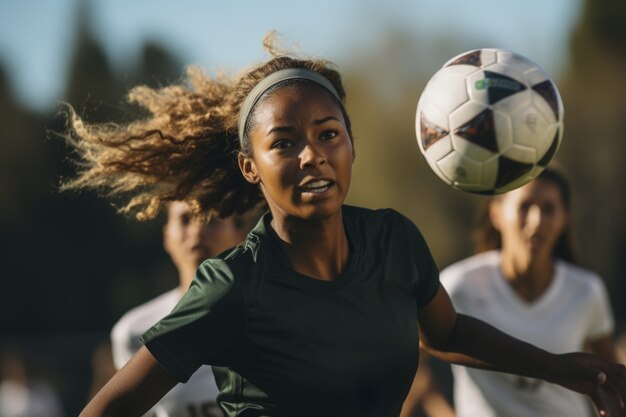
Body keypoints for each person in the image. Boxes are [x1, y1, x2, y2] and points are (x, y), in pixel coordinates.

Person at [61, 35, 626, 417]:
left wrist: (561, 368)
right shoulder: (234, 286)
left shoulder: (393, 240)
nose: (312, 156)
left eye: (328, 133)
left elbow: (447, 334)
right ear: (248, 166)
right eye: (283, 143)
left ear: (351, 143)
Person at [433, 166, 618, 417]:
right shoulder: (458, 286)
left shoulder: (587, 291)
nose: (537, 220)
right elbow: (410, 354)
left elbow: (611, 374)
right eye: (524, 206)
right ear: (496, 213)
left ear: (565, 218)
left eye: (549, 209)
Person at [110, 201, 256, 417]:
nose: (197, 231)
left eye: (211, 220)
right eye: (185, 219)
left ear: (241, 234)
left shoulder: (270, 315)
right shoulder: (134, 331)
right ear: (166, 235)